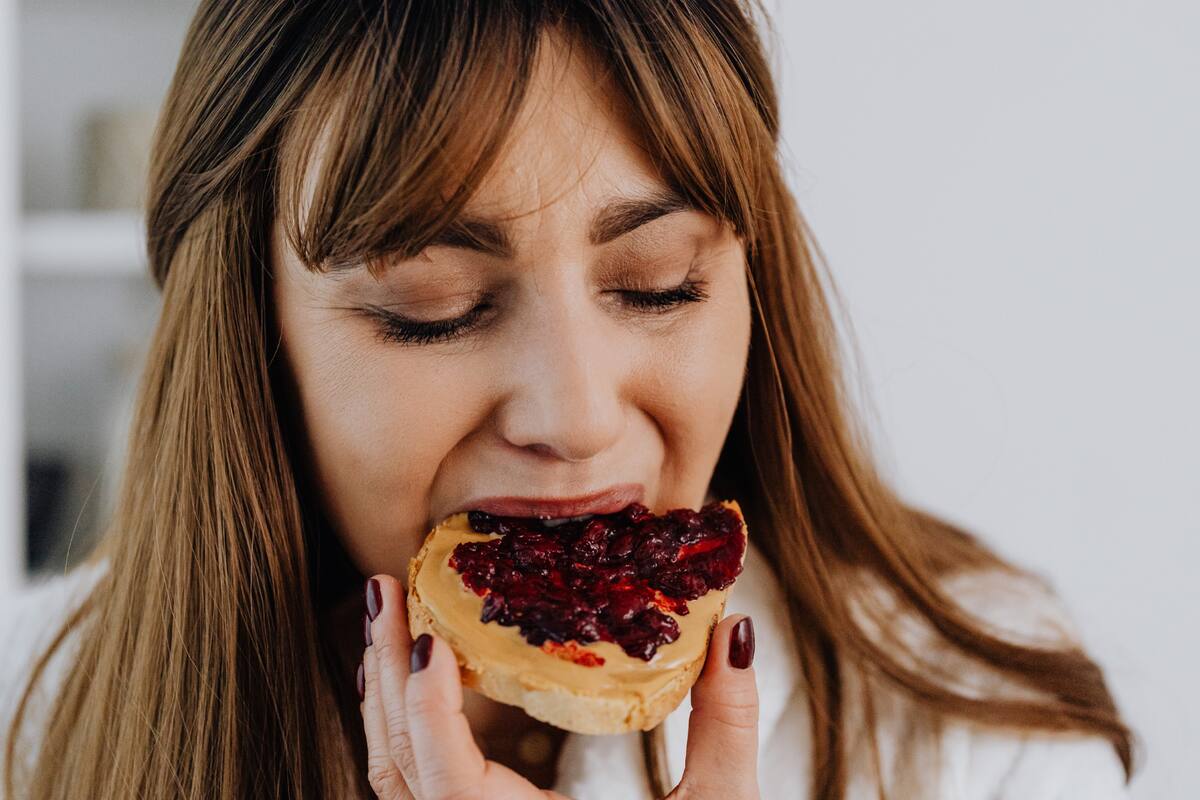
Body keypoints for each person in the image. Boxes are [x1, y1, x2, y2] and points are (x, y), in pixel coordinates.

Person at [2, 2, 1136, 798]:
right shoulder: (23, 728)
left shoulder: (975, 736)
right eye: (434, 307)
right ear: (251, 336)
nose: (580, 414)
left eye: (658, 286)